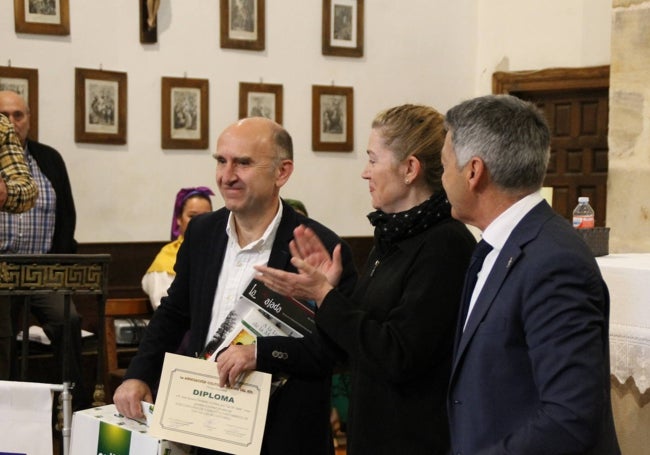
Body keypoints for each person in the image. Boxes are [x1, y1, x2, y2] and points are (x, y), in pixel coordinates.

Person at [113, 117, 358, 455]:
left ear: (282, 172)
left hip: (285, 434)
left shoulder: (320, 247)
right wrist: (137, 373)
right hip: (207, 427)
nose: (227, 176)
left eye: (243, 163)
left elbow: (335, 350)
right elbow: (173, 313)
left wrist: (262, 353)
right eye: (221, 161)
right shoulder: (201, 234)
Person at [254, 104, 476, 454]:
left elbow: (397, 355)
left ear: (410, 169)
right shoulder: (393, 236)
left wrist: (328, 296)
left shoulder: (445, 243)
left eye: (373, 159)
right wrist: (321, 293)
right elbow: (354, 346)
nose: (364, 172)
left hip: (413, 441)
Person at [440, 94, 620, 454]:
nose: (442, 179)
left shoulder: (553, 261)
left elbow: (569, 417)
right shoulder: (499, 246)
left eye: (444, 166)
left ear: (474, 171)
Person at [0, 91, 86, 409]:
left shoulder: (48, 158)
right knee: (4, 335)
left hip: (41, 268)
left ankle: (72, 404)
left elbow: (67, 215)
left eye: (18, 115)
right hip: (1, 270)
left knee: (69, 320)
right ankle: (6, 411)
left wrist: (61, 265)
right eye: (3, 115)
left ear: (29, 118)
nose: (11, 122)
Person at [141, 186, 214, 310]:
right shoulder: (168, 257)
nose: (200, 222)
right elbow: (164, 309)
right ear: (179, 219)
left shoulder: (219, 249)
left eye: (206, 216)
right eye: (192, 216)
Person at [0, 113, 37, 213]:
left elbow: (28, 189)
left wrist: (6, 192)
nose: (13, 122)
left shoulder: (1, 125)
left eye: (18, 115)